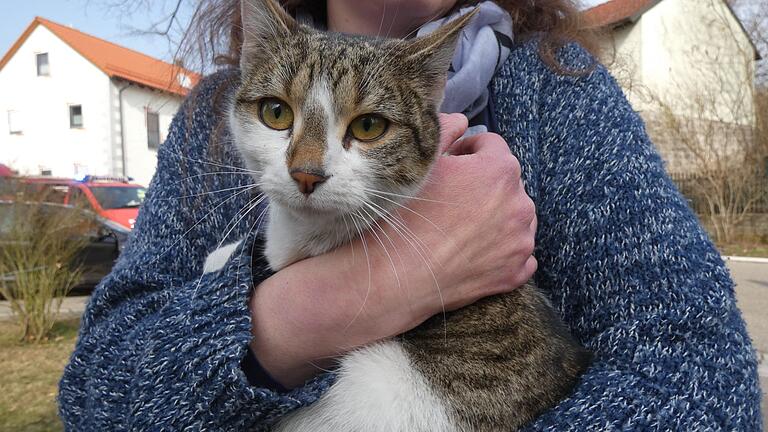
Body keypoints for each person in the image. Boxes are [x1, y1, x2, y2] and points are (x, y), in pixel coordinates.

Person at [58, 0, 762, 430]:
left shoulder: (562, 88)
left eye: (366, 126)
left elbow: (704, 378)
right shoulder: (208, 117)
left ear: (428, 89)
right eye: (276, 113)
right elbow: (96, 398)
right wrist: (320, 307)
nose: (305, 168)